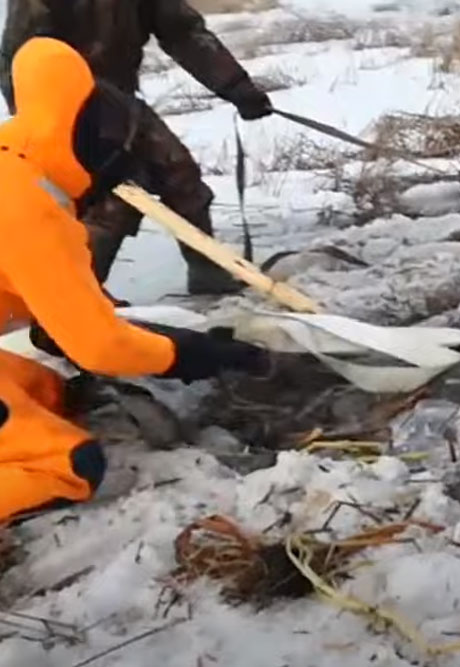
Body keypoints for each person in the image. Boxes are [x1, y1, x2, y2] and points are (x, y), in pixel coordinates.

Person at [0, 36, 272, 523]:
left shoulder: (12, 168)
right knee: (69, 464)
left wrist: (146, 334)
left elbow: (61, 305)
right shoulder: (30, 207)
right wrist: (187, 353)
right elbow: (99, 347)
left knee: (44, 392)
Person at [0, 0, 274, 295]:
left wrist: (238, 89)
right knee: (116, 195)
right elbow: (19, 59)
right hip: (64, 107)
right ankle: (75, 294)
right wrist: (49, 125)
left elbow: (182, 32)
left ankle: (207, 270)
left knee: (179, 173)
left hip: (122, 102)